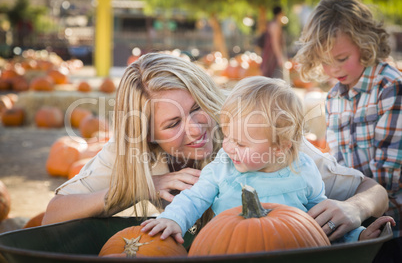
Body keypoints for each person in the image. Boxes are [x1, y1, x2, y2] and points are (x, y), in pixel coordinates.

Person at [42, 52, 388, 243]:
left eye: (196, 109)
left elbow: (370, 189)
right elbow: (52, 214)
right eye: (173, 124)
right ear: (148, 136)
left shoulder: (251, 125)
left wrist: (356, 209)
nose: (195, 129)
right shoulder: (129, 150)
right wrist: (138, 188)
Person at [141, 76, 394, 243]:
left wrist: (358, 236)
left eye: (240, 143)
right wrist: (172, 219)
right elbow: (194, 199)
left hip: (291, 254)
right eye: (226, 136)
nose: (227, 146)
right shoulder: (223, 167)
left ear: (280, 147)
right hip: (229, 250)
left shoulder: (303, 169)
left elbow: (320, 219)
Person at [294, 0, 402, 238]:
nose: (334, 70)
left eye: (342, 59)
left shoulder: (391, 88)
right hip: (353, 216)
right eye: (325, 62)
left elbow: (387, 185)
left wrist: (351, 210)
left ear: (366, 44)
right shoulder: (334, 98)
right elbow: (341, 170)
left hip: (390, 224)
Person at [260, 6, 285, 79]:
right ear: (280, 14)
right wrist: (279, 57)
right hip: (272, 55)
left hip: (269, 53)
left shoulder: (271, 23)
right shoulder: (275, 25)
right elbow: (275, 42)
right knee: (274, 76)